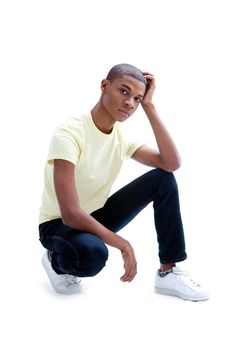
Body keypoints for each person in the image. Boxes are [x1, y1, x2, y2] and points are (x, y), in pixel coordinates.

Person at [39, 63, 209, 301]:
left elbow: (171, 163)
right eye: (124, 91)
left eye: (138, 98)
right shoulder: (69, 133)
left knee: (163, 179)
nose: (130, 102)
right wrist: (123, 244)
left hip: (94, 216)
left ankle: (168, 271)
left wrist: (149, 106)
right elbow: (69, 214)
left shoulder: (121, 137)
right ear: (104, 86)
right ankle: (55, 260)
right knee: (92, 255)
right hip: (58, 225)